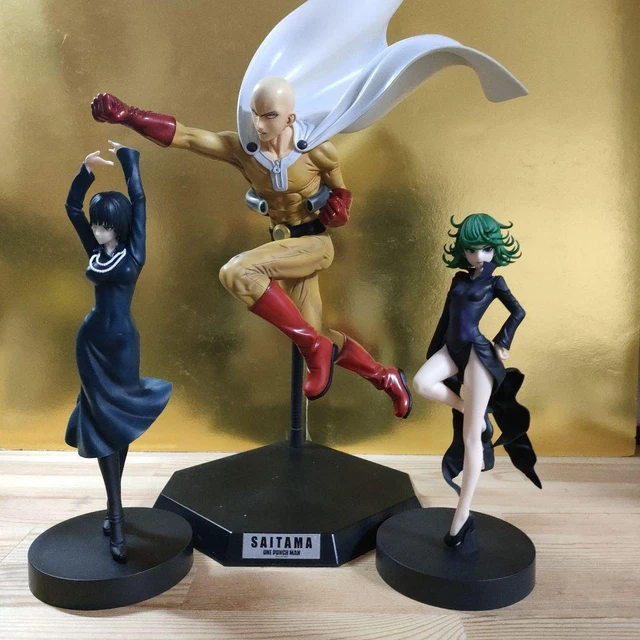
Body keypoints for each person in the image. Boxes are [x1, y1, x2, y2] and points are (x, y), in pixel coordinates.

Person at [65, 142, 172, 562]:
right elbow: (72, 209)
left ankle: (117, 508)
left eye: (105, 225)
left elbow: (140, 201)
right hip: (91, 344)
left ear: (119, 225)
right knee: (101, 425)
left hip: (123, 346)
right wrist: (85, 171)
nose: (97, 231)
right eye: (96, 224)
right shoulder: (95, 252)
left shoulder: (134, 253)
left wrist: (130, 160)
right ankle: (116, 513)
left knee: (119, 423)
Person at [412, 214, 540, 550]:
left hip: (477, 355)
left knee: (470, 438)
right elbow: (445, 318)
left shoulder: (495, 283)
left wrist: (503, 341)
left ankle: (462, 514)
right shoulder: (458, 280)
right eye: (471, 249)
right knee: (421, 382)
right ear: (463, 251)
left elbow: (518, 311)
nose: (478, 256)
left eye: (485, 249)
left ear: (495, 248)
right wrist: (434, 351)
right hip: (451, 349)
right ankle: (476, 415)